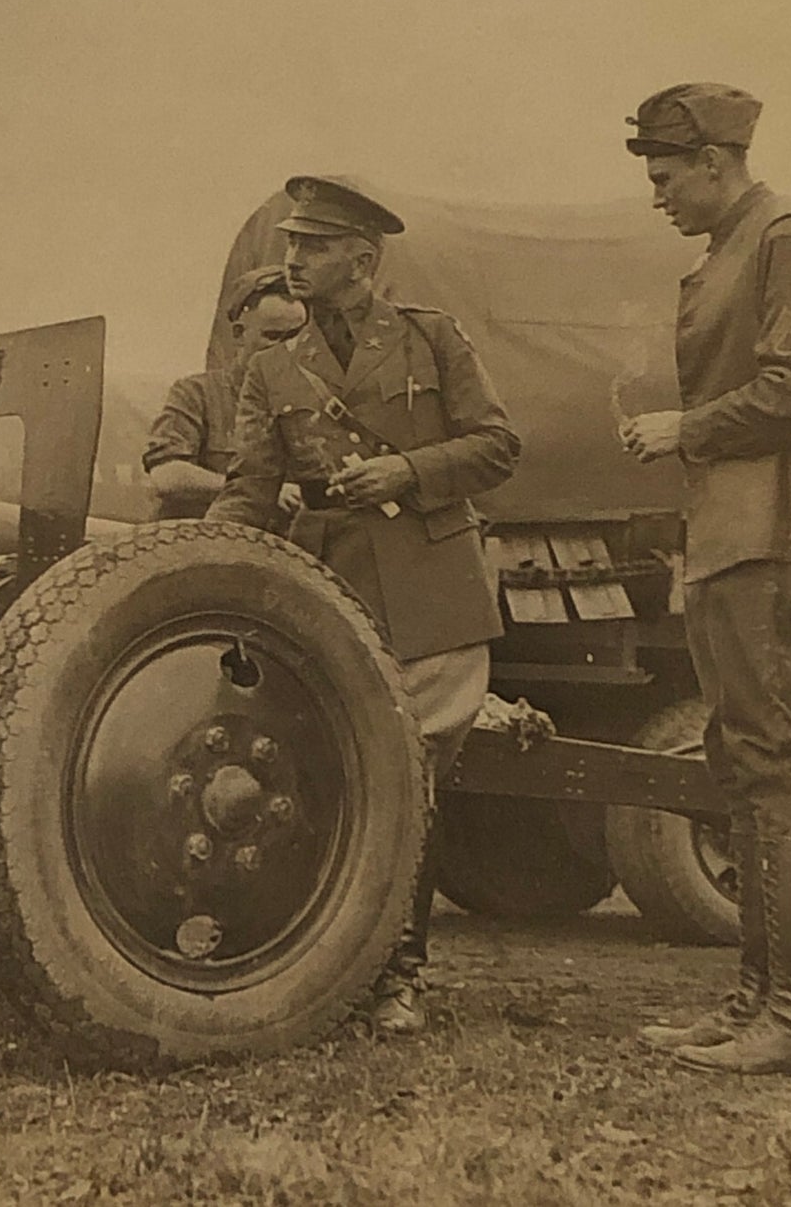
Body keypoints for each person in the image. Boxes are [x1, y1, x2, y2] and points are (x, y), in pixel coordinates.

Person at [207, 175, 520, 1033]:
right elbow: (249, 488)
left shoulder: (431, 339)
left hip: (430, 595)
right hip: (331, 597)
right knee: (325, 779)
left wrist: (407, 471)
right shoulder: (271, 366)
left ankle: (397, 977)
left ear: (362, 258)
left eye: (311, 245)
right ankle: (321, 963)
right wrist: (205, 563)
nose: (292, 259)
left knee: (408, 781)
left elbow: (497, 445)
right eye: (289, 244)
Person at [620, 84, 791, 1075]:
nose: (655, 195)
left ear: (714, 162)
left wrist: (686, 428)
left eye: (662, 175)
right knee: (739, 763)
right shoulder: (738, 247)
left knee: (775, 768)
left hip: (776, 540)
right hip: (734, 538)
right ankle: (752, 1003)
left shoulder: (786, 238)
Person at [143, 267, 308, 519]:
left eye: (295, 336)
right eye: (273, 336)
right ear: (240, 334)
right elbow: (168, 476)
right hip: (205, 545)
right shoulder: (197, 394)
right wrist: (260, 492)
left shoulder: (312, 402)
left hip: (280, 548)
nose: (287, 348)